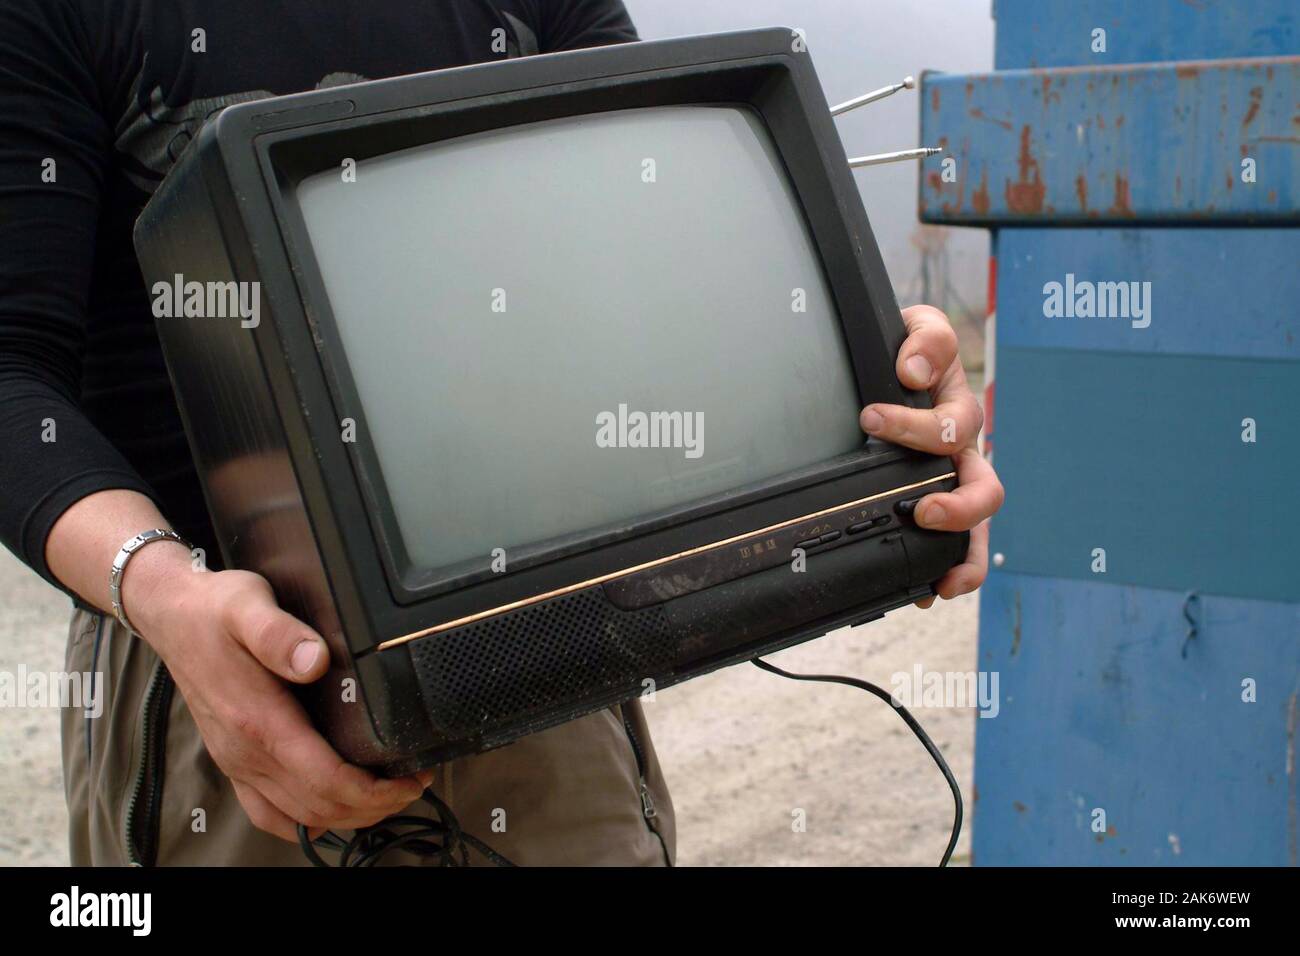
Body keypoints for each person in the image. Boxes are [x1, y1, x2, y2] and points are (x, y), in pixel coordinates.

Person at [0, 0, 1003, 866]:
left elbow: (658, 264)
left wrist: (887, 379)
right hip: (230, 672)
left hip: (569, 647)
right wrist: (161, 587)